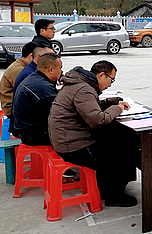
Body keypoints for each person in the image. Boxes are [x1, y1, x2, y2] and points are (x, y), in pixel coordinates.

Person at [49, 61, 140, 207]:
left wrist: (112, 102)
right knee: (124, 152)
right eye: (111, 79)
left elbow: (91, 106)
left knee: (120, 139)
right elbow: (98, 120)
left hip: (69, 140)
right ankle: (113, 196)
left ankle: (107, 189)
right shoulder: (84, 89)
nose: (110, 84)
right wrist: (118, 108)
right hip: (73, 147)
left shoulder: (80, 85)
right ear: (102, 75)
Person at [12, 53, 62, 146]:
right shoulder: (43, 88)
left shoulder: (33, 79)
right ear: (51, 69)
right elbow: (56, 115)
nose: (61, 71)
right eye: (60, 68)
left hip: (24, 130)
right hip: (34, 135)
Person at [0, 41, 35, 117]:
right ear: (31, 56)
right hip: (12, 108)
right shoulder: (19, 70)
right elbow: (29, 92)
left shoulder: (23, 66)